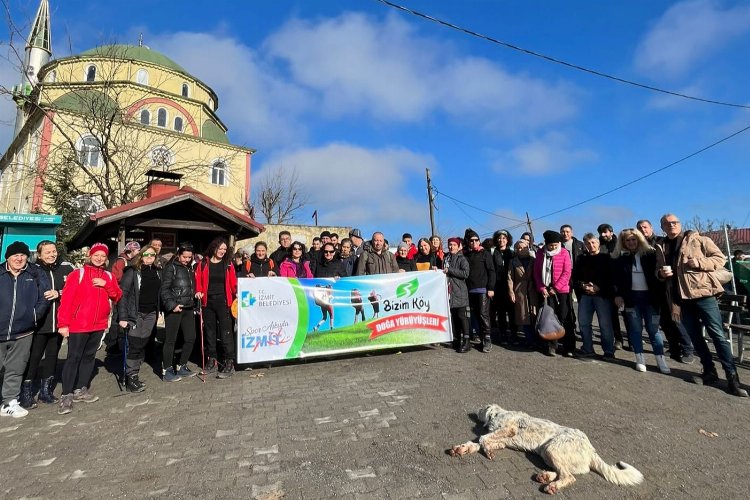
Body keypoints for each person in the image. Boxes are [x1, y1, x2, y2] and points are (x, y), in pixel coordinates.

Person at [656, 214, 747, 397]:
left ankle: (732, 378)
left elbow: (720, 259)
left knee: (717, 335)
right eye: (667, 223)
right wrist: (660, 274)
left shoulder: (698, 240)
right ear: (663, 227)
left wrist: (698, 262)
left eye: (674, 222)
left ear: (679, 224)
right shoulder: (661, 246)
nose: (671, 225)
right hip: (681, 298)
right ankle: (709, 372)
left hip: (703, 295)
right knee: (695, 337)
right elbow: (657, 271)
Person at [57, 243, 122, 414]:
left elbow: (117, 295)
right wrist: (63, 324)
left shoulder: (108, 275)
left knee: (89, 357)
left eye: (103, 256)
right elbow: (67, 301)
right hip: (79, 324)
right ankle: (66, 395)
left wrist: (105, 284)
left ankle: (81, 389)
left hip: (99, 324)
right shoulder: (78, 274)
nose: (99, 258)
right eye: (96, 255)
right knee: (73, 358)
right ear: (90, 256)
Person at [0, 242, 50, 418]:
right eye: (15, 255)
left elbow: (45, 296)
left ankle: (9, 402)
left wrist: (34, 316)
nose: (19, 258)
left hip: (23, 331)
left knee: (15, 368)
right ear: (8, 257)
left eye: (22, 255)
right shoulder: (0, 273)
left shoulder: (34, 273)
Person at [21, 241, 73, 408]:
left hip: (58, 322)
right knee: (34, 357)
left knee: (52, 357)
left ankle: (45, 391)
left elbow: (73, 291)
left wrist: (59, 293)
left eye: (53, 251)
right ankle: (26, 392)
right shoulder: (32, 270)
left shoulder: (65, 268)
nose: (52, 254)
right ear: (39, 254)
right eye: (47, 252)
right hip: (39, 324)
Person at [637, 219, 695, 364]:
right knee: (664, 321)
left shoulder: (661, 242)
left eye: (645, 227)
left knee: (676, 319)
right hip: (654, 288)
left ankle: (688, 349)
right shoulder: (639, 246)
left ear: (651, 227)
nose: (643, 230)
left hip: (670, 286)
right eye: (640, 228)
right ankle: (674, 348)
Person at [612, 229, 669, 374]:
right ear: (623, 242)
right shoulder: (620, 258)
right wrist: (618, 295)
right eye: (627, 240)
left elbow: (659, 276)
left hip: (651, 299)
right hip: (632, 300)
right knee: (635, 329)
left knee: (653, 330)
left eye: (633, 239)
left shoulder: (649, 254)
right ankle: (640, 359)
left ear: (639, 240)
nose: (631, 243)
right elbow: (616, 279)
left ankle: (660, 359)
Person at [117, 245, 163, 392]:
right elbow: (122, 294)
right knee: (135, 344)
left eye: (153, 255)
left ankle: (134, 373)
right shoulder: (132, 271)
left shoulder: (157, 272)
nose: (150, 257)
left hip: (151, 314)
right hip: (135, 314)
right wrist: (123, 316)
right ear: (141, 255)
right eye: (147, 254)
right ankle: (131, 376)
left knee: (142, 343)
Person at [195, 237, 238, 379]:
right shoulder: (203, 263)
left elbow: (233, 282)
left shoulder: (228, 264)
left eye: (225, 249)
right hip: (208, 302)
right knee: (210, 332)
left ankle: (229, 361)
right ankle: (212, 360)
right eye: (220, 248)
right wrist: (199, 291)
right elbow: (199, 280)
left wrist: (237, 291)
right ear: (214, 248)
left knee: (226, 332)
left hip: (224, 302)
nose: (222, 251)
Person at [160, 243, 199, 383]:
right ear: (178, 254)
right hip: (175, 309)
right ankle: (167, 370)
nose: (186, 259)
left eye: (189, 257)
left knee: (190, 338)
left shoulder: (190, 269)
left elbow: (190, 287)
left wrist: (196, 295)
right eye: (184, 256)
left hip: (188, 307)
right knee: (171, 340)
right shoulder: (171, 267)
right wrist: (172, 305)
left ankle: (182, 365)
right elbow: (164, 289)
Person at [572, 233, 616, 358]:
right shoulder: (581, 259)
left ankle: (608, 351)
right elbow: (575, 277)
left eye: (593, 243)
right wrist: (583, 286)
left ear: (598, 243)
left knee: (605, 324)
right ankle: (587, 348)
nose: (591, 245)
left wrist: (598, 287)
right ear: (584, 245)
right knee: (584, 323)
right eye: (588, 243)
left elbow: (611, 277)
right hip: (585, 296)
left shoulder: (607, 258)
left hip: (602, 296)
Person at [533, 231, 572, 357]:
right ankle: (552, 345)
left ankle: (568, 346)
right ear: (546, 244)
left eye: (556, 245)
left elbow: (567, 272)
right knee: (549, 318)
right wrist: (541, 287)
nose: (553, 248)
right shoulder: (540, 253)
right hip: (546, 290)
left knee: (564, 317)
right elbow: (536, 273)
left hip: (561, 291)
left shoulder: (564, 253)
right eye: (551, 246)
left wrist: (556, 288)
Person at [464, 229, 495, 353]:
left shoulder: (485, 253)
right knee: (475, 315)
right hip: (470, 290)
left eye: (477, 240)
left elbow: (491, 271)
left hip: (483, 289)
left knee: (483, 314)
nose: (474, 242)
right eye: (472, 240)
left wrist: (491, 288)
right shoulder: (466, 254)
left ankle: (487, 338)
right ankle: (480, 337)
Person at [508, 239, 538, 350]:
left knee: (534, 314)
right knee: (523, 315)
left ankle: (537, 339)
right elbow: (510, 278)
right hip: (520, 290)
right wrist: (511, 291)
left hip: (533, 289)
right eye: (519, 247)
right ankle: (529, 340)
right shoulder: (513, 261)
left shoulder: (534, 260)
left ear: (528, 248)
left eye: (524, 247)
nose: (521, 249)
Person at [598, 223, 624, 349]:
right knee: (612, 315)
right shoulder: (599, 244)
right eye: (601, 233)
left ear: (611, 232)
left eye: (605, 232)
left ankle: (634, 339)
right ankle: (618, 339)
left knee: (627, 314)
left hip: (620, 282)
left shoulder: (620, 243)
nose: (603, 235)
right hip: (606, 284)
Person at [444, 237, 471, 352]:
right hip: (450, 292)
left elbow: (465, 273)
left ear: (458, 246)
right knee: (454, 317)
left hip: (459, 292)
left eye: (454, 245)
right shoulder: (447, 258)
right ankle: (456, 340)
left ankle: (467, 341)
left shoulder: (462, 259)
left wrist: (450, 270)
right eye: (450, 245)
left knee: (462, 317)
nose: (451, 247)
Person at [492, 230, 516, 345]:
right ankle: (503, 334)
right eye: (499, 238)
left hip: (510, 286)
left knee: (512, 311)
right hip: (497, 286)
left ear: (508, 240)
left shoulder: (512, 253)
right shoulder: (493, 252)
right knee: (500, 311)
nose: (501, 240)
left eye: (504, 238)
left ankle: (514, 334)